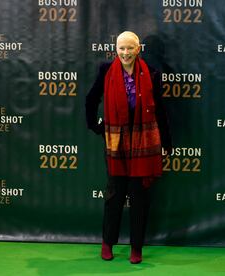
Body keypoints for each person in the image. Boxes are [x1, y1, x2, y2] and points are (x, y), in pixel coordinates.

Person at [86, 31, 171, 264]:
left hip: (143, 142)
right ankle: (107, 243)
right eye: (121, 48)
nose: (125, 53)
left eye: (130, 48)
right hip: (116, 141)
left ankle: (136, 248)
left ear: (138, 49)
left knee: (139, 197)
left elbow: (160, 110)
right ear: (116, 50)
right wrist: (96, 126)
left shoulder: (152, 74)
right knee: (114, 195)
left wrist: (166, 142)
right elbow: (91, 99)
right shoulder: (106, 70)